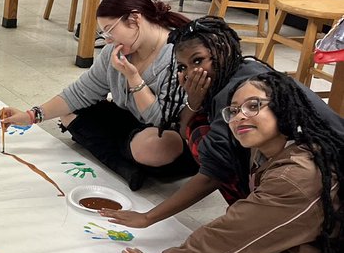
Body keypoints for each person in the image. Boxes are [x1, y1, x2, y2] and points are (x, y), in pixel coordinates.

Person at [118, 71, 344, 253]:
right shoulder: (277, 149)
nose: (239, 117)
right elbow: (288, 225)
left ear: (284, 107)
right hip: (322, 250)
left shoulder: (295, 177)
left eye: (253, 106)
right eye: (234, 110)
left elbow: (223, 240)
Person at [105, 16, 344, 230]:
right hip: (307, 173)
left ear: (222, 51)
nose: (190, 73)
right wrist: (194, 101)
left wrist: (148, 218)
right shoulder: (242, 67)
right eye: (182, 67)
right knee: (198, 128)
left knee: (204, 137)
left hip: (321, 183)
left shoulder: (235, 94)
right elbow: (183, 129)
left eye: (198, 61)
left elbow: (212, 174)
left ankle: (255, 214)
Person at [0, 0, 197, 189]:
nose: (108, 40)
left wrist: (133, 77)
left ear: (135, 19)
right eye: (104, 33)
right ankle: (124, 164)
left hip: (168, 136)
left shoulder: (177, 55)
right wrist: (31, 116)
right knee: (69, 112)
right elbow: (79, 92)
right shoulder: (115, 51)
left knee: (152, 146)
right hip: (132, 124)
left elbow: (160, 120)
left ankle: (121, 159)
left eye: (110, 30)